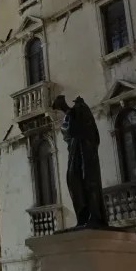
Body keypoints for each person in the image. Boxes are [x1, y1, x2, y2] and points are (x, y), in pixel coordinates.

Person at [53, 95, 108, 228]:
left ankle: (94, 216)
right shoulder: (70, 116)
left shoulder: (81, 110)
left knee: (89, 181)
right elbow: (68, 133)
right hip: (75, 153)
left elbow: (86, 131)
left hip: (86, 153)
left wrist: (70, 114)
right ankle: (83, 216)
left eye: (61, 106)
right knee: (73, 181)